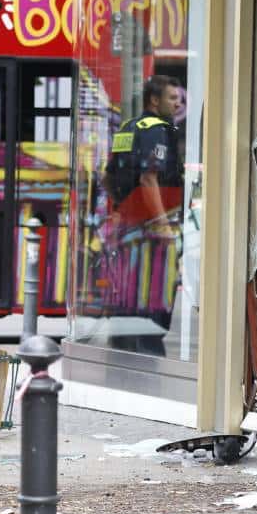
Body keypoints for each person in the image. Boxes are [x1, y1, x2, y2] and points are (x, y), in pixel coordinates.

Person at [103, 75, 184, 352]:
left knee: (127, 300)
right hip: (152, 236)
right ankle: (149, 357)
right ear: (154, 100)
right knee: (155, 303)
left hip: (127, 230)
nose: (178, 103)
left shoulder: (128, 126)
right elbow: (149, 180)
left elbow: (108, 177)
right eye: (172, 98)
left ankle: (124, 356)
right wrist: (163, 225)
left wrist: (120, 208)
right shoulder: (158, 130)